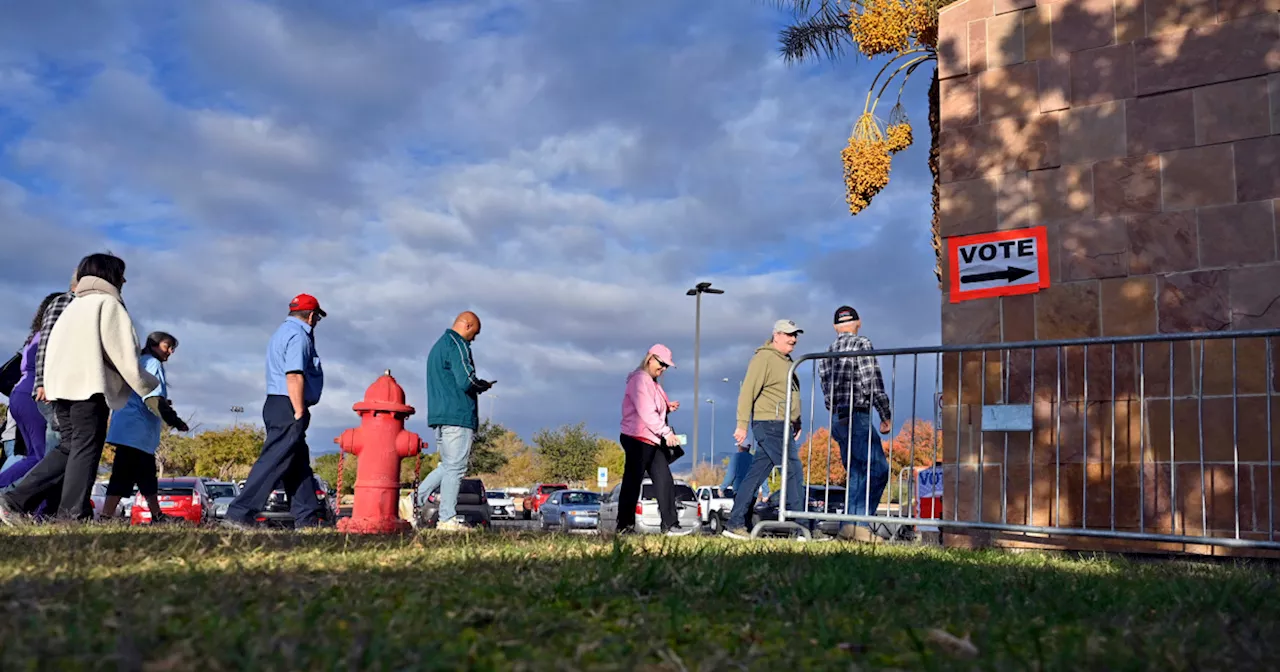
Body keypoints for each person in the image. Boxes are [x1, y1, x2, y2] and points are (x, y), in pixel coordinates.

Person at [0, 254, 159, 525]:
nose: (124, 280)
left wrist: (46, 383)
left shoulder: (73, 305)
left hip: (60, 389)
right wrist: (148, 385)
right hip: (88, 388)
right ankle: (72, 515)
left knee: (68, 448)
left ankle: (13, 500)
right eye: (121, 274)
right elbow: (123, 355)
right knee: (86, 449)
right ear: (110, 275)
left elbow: (48, 347)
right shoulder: (109, 304)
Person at [223, 294, 327, 530]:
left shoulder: (281, 332)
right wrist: (299, 410)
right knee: (274, 459)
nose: (316, 322)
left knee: (297, 463)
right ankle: (240, 513)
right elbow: (293, 374)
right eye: (317, 318)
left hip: (277, 402)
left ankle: (308, 517)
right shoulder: (299, 336)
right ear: (311, 316)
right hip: (289, 403)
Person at [722, 320, 806, 540]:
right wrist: (741, 424)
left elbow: (790, 394)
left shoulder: (785, 360)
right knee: (793, 469)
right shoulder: (764, 358)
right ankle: (803, 527)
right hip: (769, 424)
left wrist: (796, 421)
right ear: (776, 335)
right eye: (788, 334)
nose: (793, 339)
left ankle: (735, 523)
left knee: (755, 475)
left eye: (795, 335)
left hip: (782, 424)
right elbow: (747, 391)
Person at [818, 305, 892, 543]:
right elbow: (872, 380)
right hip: (858, 413)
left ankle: (848, 527)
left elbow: (827, 395)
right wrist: (885, 412)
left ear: (835, 327)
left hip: (839, 418)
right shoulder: (862, 344)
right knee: (878, 470)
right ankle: (859, 526)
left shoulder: (826, 353)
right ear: (858, 323)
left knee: (857, 474)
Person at [416, 311, 494, 532]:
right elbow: (466, 380)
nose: (474, 339)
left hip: (440, 415)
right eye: (474, 333)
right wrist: (481, 385)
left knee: (448, 466)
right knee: (456, 468)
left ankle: (415, 500)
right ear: (467, 325)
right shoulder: (457, 344)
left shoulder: (438, 347)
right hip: (457, 414)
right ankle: (447, 519)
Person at [100, 332, 190, 522]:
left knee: (146, 475)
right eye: (167, 346)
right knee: (123, 475)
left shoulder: (138, 361)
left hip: (131, 429)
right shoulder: (152, 363)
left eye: (173, 348)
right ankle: (106, 515)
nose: (171, 352)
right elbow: (151, 397)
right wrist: (174, 420)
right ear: (154, 345)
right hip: (136, 429)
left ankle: (157, 515)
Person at [0, 292, 65, 490]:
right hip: (33, 396)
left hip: (19, 396)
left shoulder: (34, 337)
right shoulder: (50, 337)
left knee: (33, 456)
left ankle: (33, 509)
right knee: (41, 458)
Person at [616, 344, 683, 536]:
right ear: (650, 358)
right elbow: (646, 411)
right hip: (637, 437)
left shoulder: (652, 383)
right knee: (632, 481)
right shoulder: (639, 380)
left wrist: (667, 407)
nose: (663, 369)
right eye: (661, 364)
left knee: (665, 480)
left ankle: (670, 525)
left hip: (651, 438)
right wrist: (666, 432)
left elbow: (653, 407)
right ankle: (624, 527)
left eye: (666, 366)